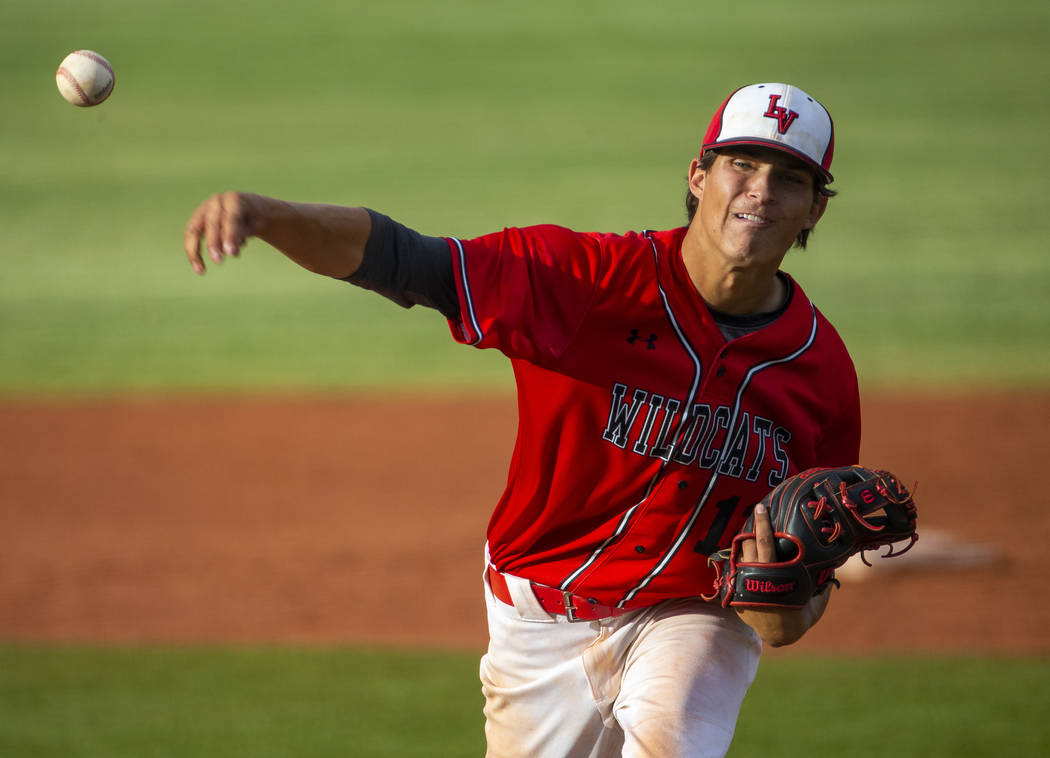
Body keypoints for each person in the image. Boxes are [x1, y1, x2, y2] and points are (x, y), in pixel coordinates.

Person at [183, 82, 860, 758]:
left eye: (789, 177)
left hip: (695, 614)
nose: (761, 190)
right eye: (742, 165)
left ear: (815, 210)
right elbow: (403, 259)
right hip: (537, 617)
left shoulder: (821, 373)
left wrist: (785, 613)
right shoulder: (585, 280)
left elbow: (801, 599)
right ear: (698, 175)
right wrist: (268, 216)